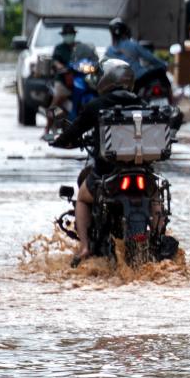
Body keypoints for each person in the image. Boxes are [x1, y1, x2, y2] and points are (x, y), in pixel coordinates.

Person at [50, 59, 144, 266]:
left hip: (107, 171)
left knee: (83, 198)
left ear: (105, 79)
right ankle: (157, 234)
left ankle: (85, 247)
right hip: (142, 170)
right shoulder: (141, 103)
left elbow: (74, 131)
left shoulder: (96, 106)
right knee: (156, 199)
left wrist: (58, 141)